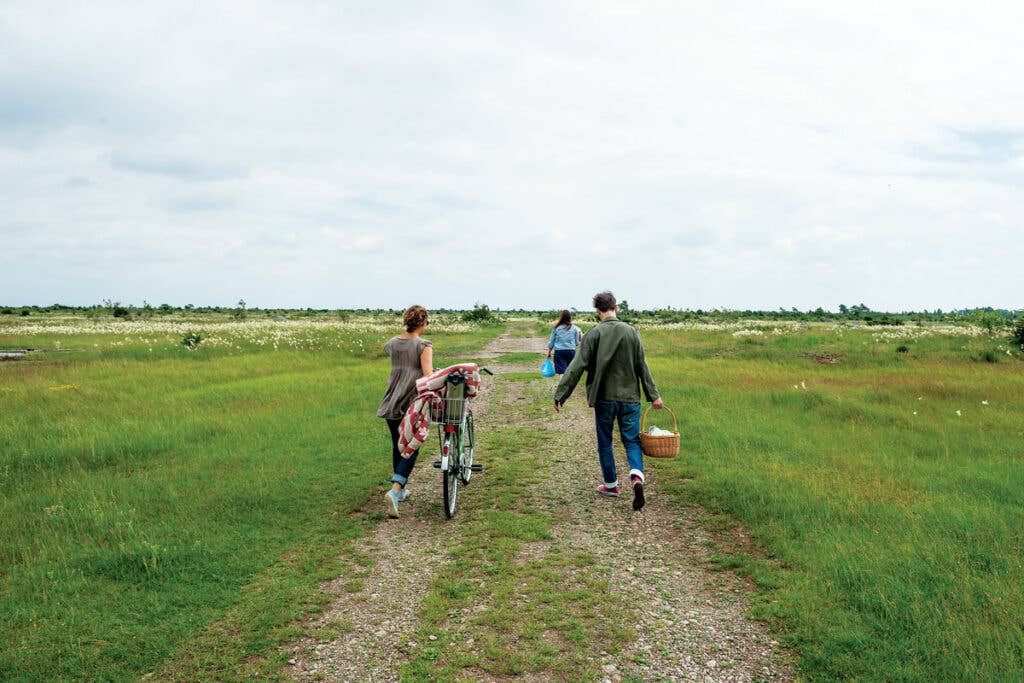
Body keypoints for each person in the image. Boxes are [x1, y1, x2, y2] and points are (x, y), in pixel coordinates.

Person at [553, 291, 663, 511]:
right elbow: (642, 365)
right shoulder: (632, 332)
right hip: (630, 398)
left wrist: (561, 394)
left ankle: (611, 485)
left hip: (604, 397)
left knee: (605, 442)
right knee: (631, 440)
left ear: (598, 311)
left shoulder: (594, 334)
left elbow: (577, 366)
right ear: (616, 307)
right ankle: (636, 476)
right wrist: (654, 395)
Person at [376, 305, 433, 518]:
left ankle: (401, 490)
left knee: (398, 446)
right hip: (411, 402)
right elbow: (427, 376)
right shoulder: (423, 345)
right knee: (412, 446)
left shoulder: (392, 344)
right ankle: (395, 489)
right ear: (422, 322)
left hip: (391, 400)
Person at [547, 310, 582, 375]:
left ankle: (562, 385)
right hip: (571, 351)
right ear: (570, 317)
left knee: (561, 372)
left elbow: (551, 341)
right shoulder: (574, 328)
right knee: (570, 372)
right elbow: (577, 343)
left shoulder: (556, 328)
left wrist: (549, 352)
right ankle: (569, 385)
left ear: (561, 317)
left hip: (559, 352)